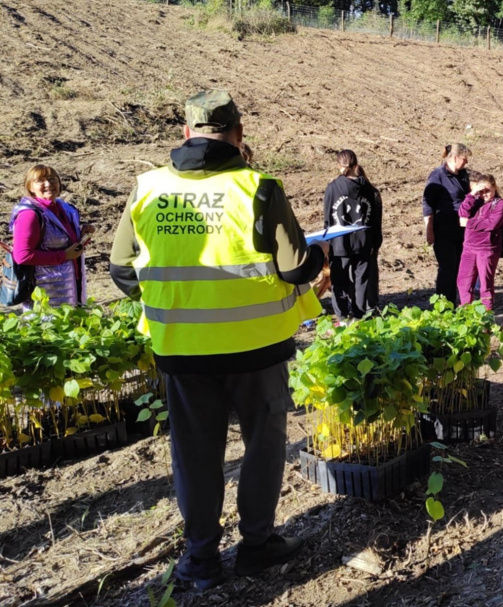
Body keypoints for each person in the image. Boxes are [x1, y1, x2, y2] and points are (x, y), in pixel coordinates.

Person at [109, 90, 325, 589]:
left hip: (182, 350)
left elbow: (122, 272)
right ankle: (256, 546)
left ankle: (201, 558)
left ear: (186, 133)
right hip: (257, 348)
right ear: (238, 134)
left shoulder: (147, 188)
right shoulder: (260, 187)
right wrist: (317, 259)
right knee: (263, 447)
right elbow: (295, 269)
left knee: (195, 453)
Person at [10, 165, 93, 309]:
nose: (48, 184)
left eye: (52, 179)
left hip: (71, 288)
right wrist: (64, 255)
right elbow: (22, 256)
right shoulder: (29, 215)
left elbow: (69, 248)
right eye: (40, 180)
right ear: (30, 187)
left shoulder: (66, 210)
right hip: (45, 293)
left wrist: (83, 236)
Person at [323, 149, 383, 321]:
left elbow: (328, 218)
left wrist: (327, 242)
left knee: (339, 282)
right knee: (361, 282)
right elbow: (374, 219)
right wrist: (374, 242)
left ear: (339, 165)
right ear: (356, 165)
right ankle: (360, 316)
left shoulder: (333, 188)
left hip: (339, 243)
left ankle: (342, 318)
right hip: (364, 243)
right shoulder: (369, 189)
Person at [423, 143, 472, 303]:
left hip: (461, 230)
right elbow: (428, 205)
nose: (466, 163)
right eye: (464, 159)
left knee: (458, 267)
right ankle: (443, 305)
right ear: (455, 157)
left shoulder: (463, 175)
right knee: (447, 268)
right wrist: (429, 230)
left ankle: (454, 301)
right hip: (443, 230)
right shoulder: (437, 176)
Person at [457, 174, 503, 310]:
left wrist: (469, 223)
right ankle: (466, 314)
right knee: (463, 282)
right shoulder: (475, 200)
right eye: (482, 191)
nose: (485, 194)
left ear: (494, 188)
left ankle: (486, 319)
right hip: (469, 247)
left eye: (488, 190)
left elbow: (491, 223)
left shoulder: (499, 204)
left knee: (485, 285)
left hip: (487, 248)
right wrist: (473, 193)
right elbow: (462, 212)